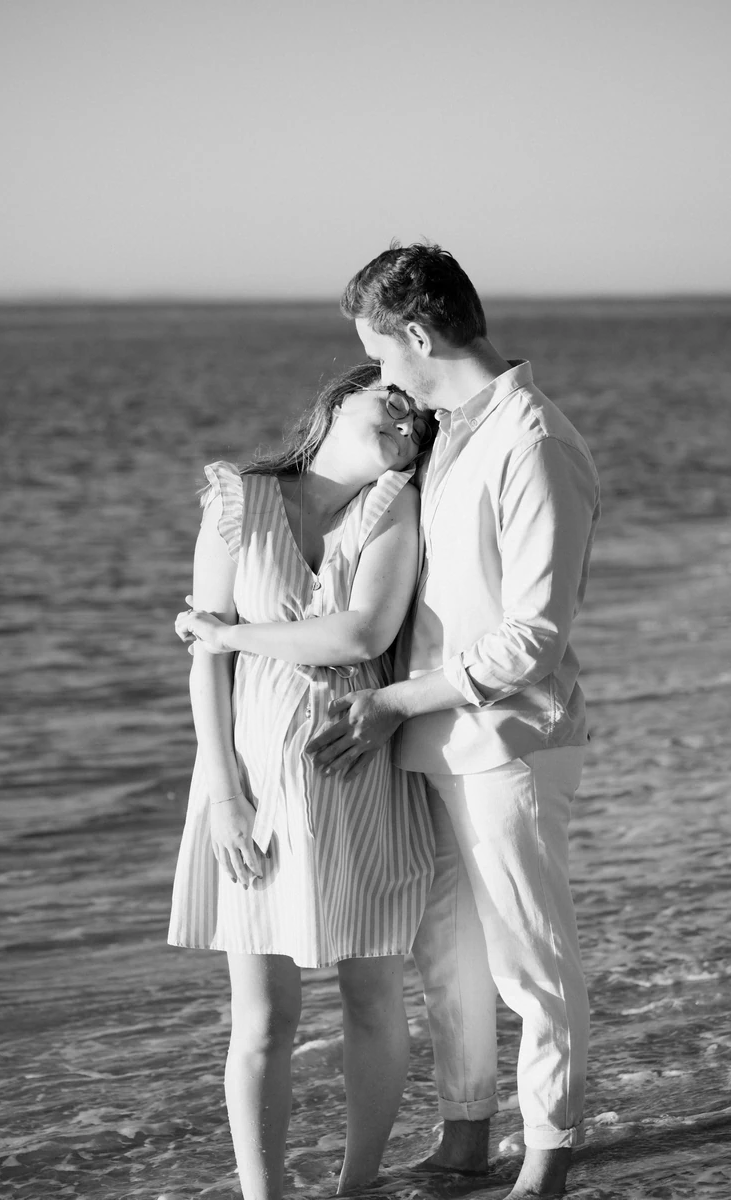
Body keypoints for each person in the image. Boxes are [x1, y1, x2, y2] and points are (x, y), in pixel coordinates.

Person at [307, 244, 600, 1200]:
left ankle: (549, 1152)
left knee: (528, 956)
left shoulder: (533, 441)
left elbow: (534, 641)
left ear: (420, 334)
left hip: (509, 743)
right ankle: (467, 1136)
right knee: (452, 961)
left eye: (382, 356)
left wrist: (390, 701)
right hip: (430, 744)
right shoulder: (446, 436)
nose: (383, 379)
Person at [168, 361, 435, 1200]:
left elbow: (360, 636)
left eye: (417, 418)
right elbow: (200, 672)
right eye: (388, 399)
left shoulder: (397, 507)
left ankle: (357, 1188)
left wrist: (230, 636)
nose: (405, 418)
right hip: (248, 787)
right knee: (263, 1017)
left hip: (361, 778)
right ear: (333, 405)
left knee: (371, 999)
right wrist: (223, 797)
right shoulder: (237, 501)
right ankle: (264, 1196)